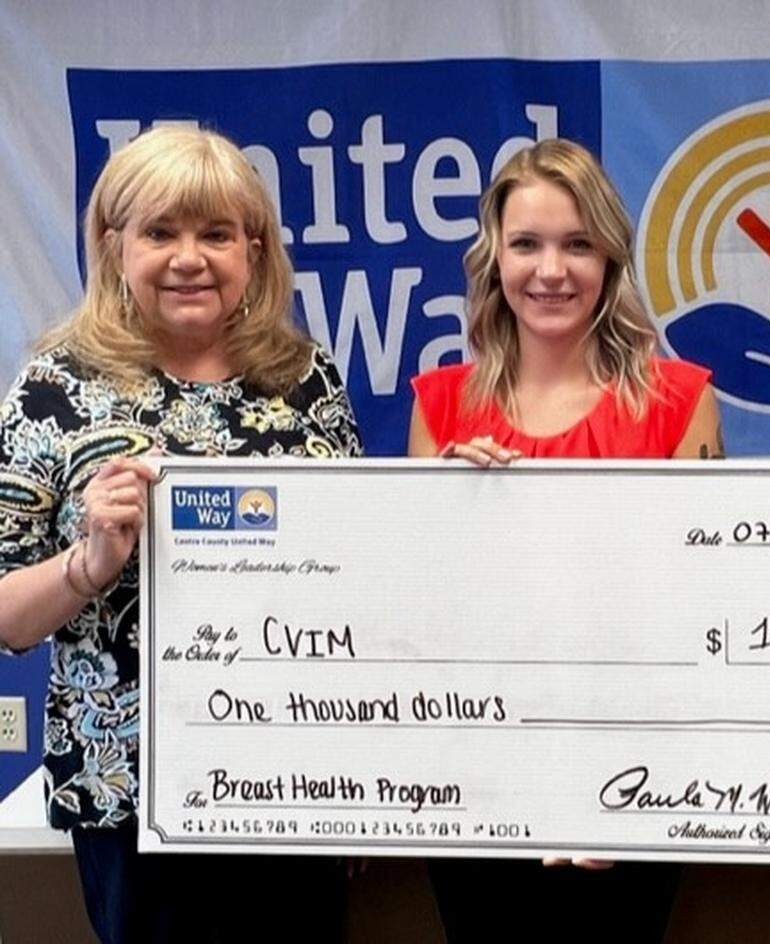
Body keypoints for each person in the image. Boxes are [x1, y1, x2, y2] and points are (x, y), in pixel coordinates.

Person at [0, 125, 362, 944]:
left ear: (255, 250)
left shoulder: (308, 382)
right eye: (161, 231)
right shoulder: (55, 392)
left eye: (216, 234)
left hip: (295, 785)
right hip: (136, 795)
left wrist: (359, 774)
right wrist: (89, 564)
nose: (189, 257)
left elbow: (357, 584)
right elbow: (5, 615)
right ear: (112, 243)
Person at [408, 138, 722, 940]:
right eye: (528, 244)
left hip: (636, 765)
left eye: (578, 244)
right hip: (478, 772)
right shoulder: (441, 402)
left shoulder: (679, 398)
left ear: (610, 257)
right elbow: (420, 611)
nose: (552, 270)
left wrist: (610, 782)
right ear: (495, 258)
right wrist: (438, 510)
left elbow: (698, 609)